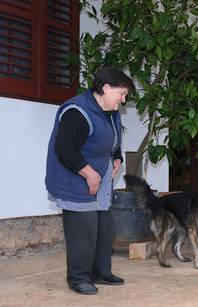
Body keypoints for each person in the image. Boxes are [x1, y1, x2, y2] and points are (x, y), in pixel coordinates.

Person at [45, 67, 134, 295]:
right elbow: (64, 149)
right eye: (121, 94)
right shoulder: (77, 111)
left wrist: (116, 157)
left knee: (104, 226)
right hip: (74, 175)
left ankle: (100, 272)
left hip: (100, 175)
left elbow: (113, 139)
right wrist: (89, 173)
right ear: (105, 88)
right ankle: (78, 278)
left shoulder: (109, 110)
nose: (123, 100)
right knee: (82, 230)